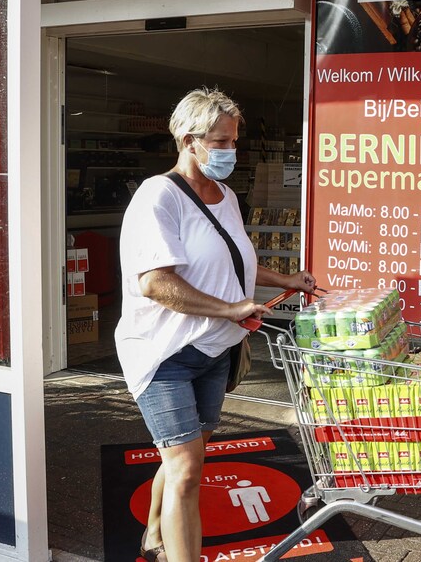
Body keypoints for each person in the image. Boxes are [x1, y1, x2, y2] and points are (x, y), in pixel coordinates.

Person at [114, 87, 316, 562]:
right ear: (189, 140)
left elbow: (232, 261)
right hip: (164, 353)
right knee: (186, 467)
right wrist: (229, 310)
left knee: (186, 452)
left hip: (213, 352)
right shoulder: (158, 197)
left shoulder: (224, 195)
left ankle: (154, 532)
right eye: (221, 142)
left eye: (233, 142)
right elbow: (155, 283)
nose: (230, 152)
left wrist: (285, 278)